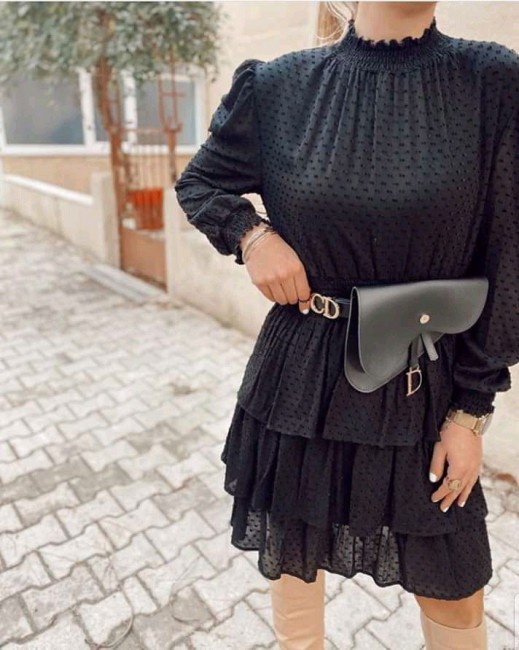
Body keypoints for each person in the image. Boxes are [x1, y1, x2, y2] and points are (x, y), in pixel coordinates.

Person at [174, 1, 519, 648]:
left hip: (424, 384)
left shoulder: (491, 82)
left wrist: (472, 410)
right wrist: (252, 236)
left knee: (455, 589)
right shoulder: (278, 86)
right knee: (292, 570)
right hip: (300, 381)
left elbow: (510, 255)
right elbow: (200, 183)